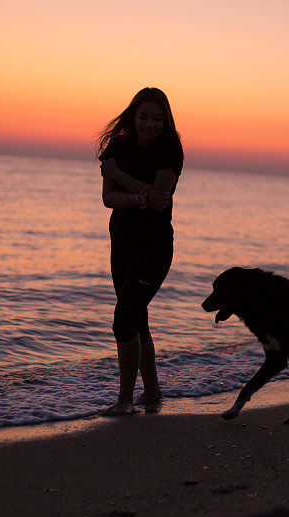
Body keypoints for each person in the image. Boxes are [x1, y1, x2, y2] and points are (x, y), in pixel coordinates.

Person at [97, 87, 184, 415]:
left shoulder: (170, 149)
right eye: (144, 117)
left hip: (155, 248)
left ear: (166, 121)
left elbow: (161, 202)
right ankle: (151, 392)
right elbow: (109, 198)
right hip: (122, 243)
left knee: (123, 320)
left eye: (157, 118)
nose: (150, 124)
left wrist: (119, 176)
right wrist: (140, 198)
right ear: (133, 117)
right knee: (137, 319)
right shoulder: (117, 146)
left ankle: (124, 400)